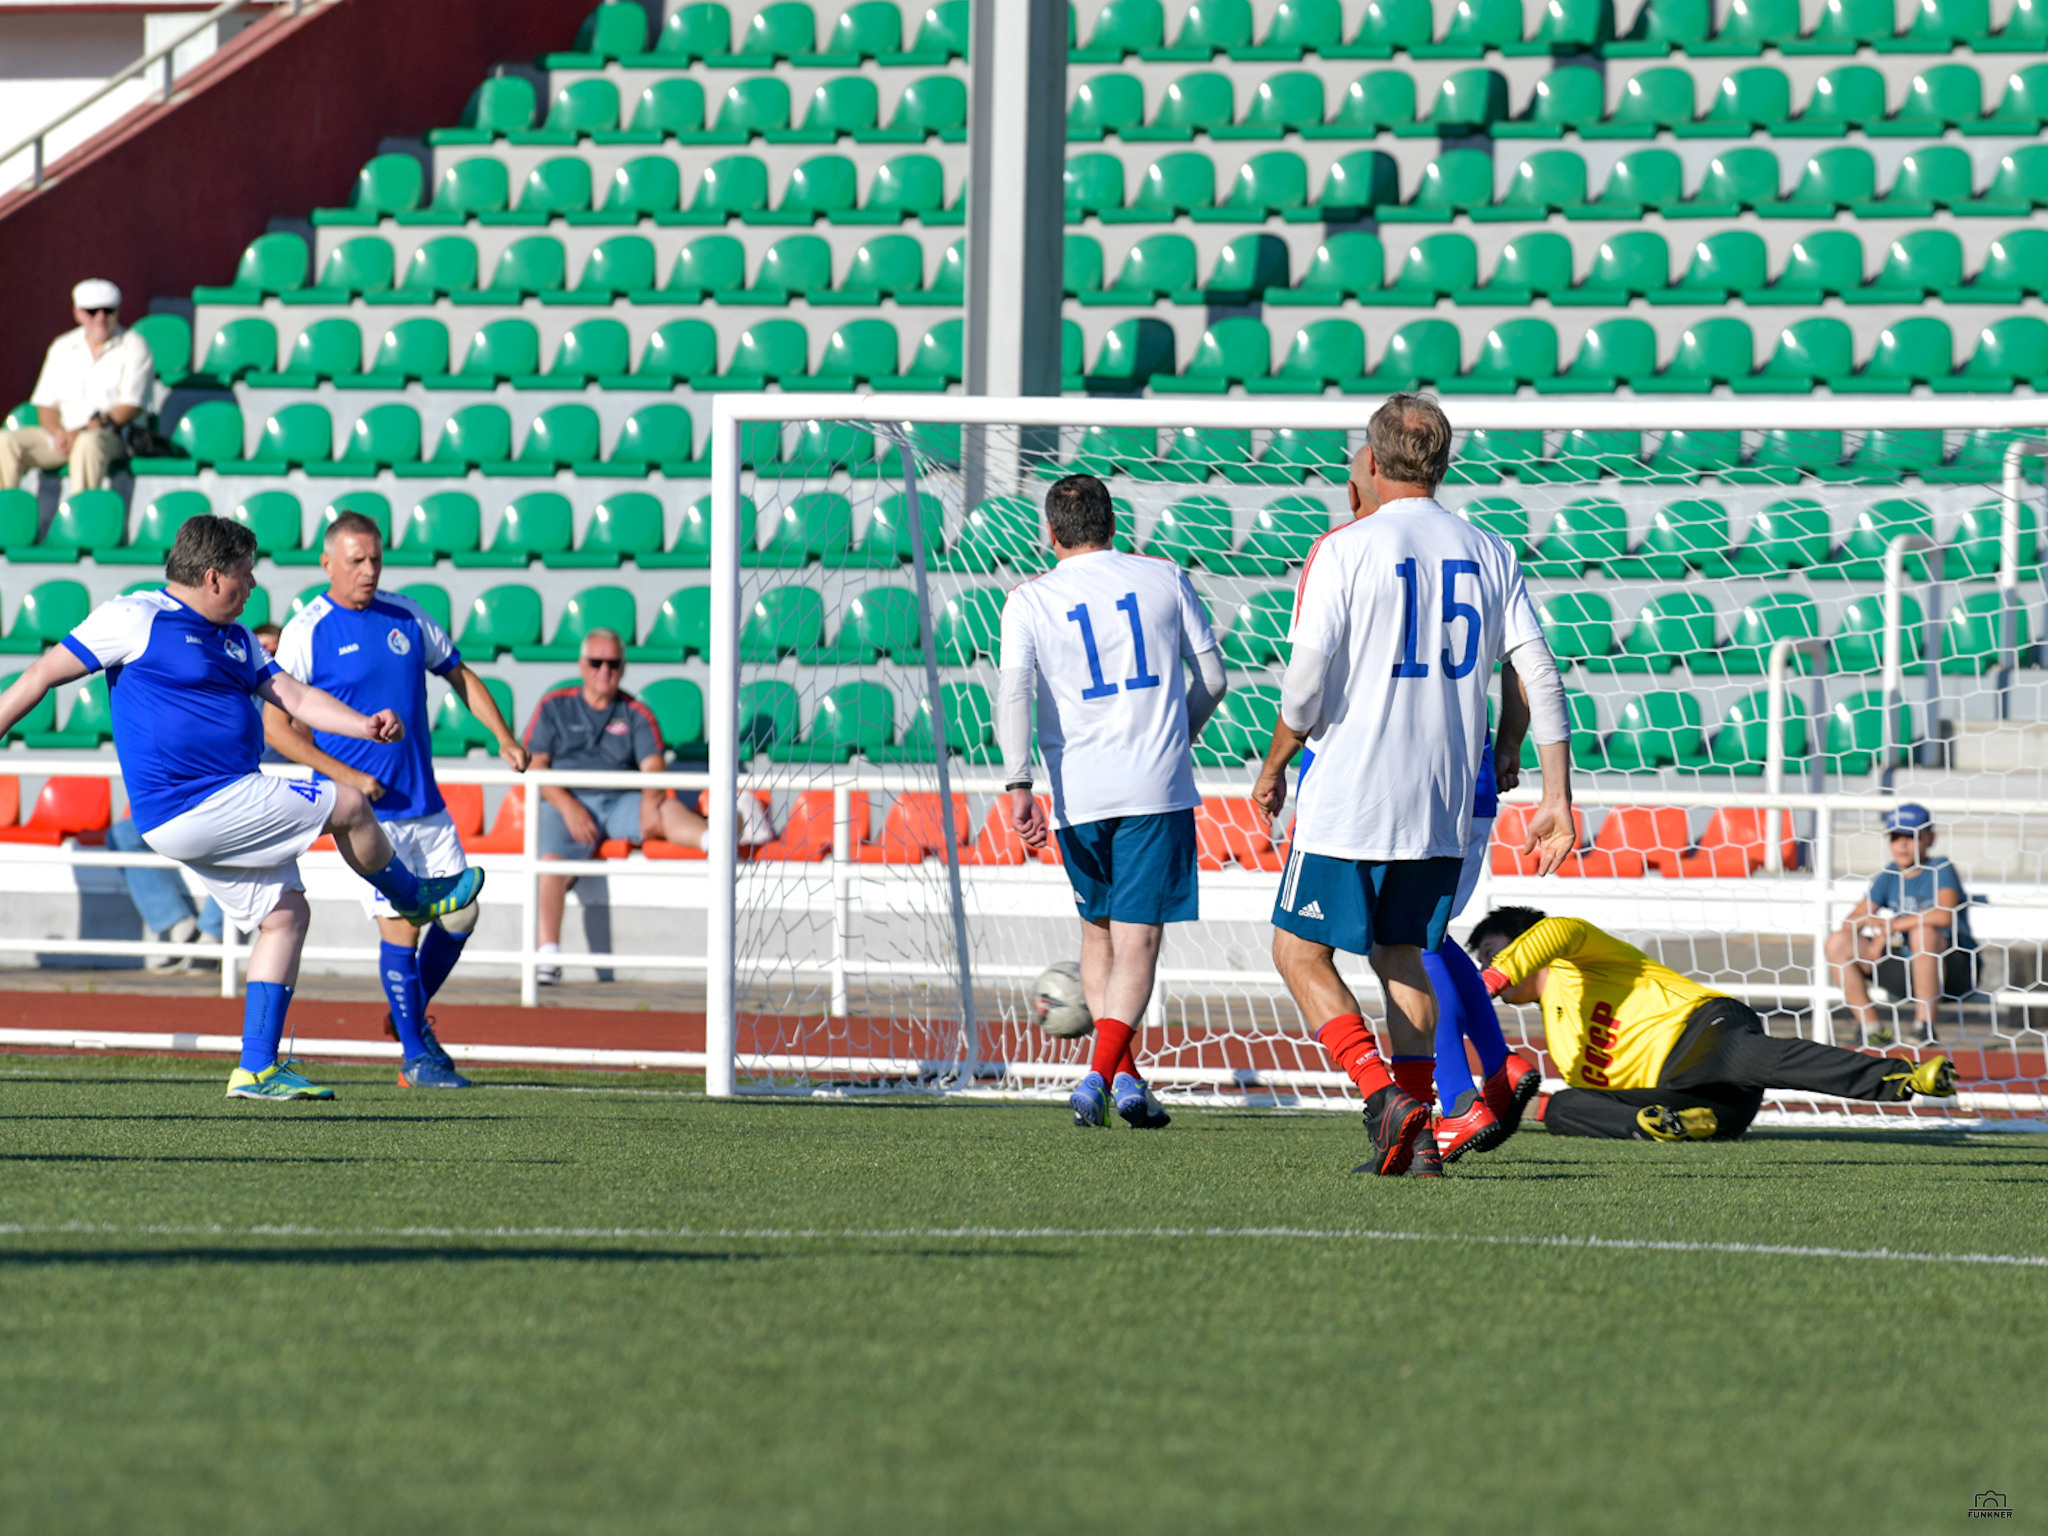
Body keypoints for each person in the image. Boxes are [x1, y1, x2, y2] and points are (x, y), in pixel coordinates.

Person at [0, 515, 484, 1101]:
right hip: (196, 799)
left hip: (219, 803)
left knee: (286, 915)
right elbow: (42, 674)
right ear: (212, 576)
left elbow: (296, 697)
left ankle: (256, 1068)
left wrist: (363, 724)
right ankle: (414, 896)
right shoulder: (134, 617)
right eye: (245, 574)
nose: (253, 585)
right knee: (351, 804)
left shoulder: (237, 636)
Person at [1252, 394, 1576, 1176]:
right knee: (1404, 953)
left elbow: (1303, 685)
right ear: (1445, 459)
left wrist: (1276, 762)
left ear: (1370, 459)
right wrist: (1554, 795)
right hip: (1438, 798)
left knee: (1298, 952)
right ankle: (1420, 1137)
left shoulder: (1346, 548)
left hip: (1353, 790)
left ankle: (1381, 1095)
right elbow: (1537, 671)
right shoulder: (1490, 550)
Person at [998, 473, 1228, 1130]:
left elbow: (1014, 694)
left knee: (1096, 934)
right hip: (1153, 788)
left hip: (1078, 791)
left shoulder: (1029, 599)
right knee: (1138, 942)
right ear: (1113, 525)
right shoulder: (1163, 577)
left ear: (1050, 534)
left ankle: (1123, 1080)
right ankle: (1104, 1074)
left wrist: (1020, 786)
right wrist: (1175, 736)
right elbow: (1213, 678)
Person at [272, 510, 528, 1087]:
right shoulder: (307, 629)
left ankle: (405, 1014)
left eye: (375, 559)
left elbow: (459, 674)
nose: (368, 570)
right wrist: (347, 778)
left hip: (425, 804)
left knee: (462, 912)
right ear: (327, 563)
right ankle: (416, 1057)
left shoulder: (407, 615)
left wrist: (503, 736)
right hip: (366, 816)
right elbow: (277, 727)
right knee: (402, 926)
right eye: (356, 560)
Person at [1469, 906, 1956, 1139]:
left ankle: (1901, 1077)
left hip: (1704, 1033)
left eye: (1491, 951)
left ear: (1521, 945)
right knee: (1563, 1105)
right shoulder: (1557, 1042)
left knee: (1756, 1058)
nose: (1485, 965)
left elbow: (1559, 928)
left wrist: (1493, 976)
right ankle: (1653, 1127)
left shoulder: (1581, 958)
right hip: (1698, 1106)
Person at [524, 629, 769, 985]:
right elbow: (536, 765)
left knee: (662, 808)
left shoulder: (636, 712)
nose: (603, 670)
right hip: (568, 800)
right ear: (582, 665)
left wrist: (650, 802)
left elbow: (653, 768)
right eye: (596, 662)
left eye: (612, 663)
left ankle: (721, 835)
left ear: (623, 668)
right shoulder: (554, 705)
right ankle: (547, 955)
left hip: (621, 798)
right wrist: (567, 805)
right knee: (549, 862)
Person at [1418, 664, 1543, 1168]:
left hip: (1420, 776)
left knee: (1410, 942)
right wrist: (1511, 744)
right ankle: (1497, 1064)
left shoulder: (1397, 581)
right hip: (1473, 774)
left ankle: (1456, 1101)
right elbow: (1525, 663)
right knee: (1427, 934)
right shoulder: (1489, 579)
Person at [1824, 802, 1975, 1046]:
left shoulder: (1940, 868)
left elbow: (1943, 915)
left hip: (1951, 970)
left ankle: (1924, 1028)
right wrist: (1872, 923)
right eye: (1896, 837)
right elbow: (1850, 922)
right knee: (1837, 942)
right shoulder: (1889, 875)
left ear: (1930, 838)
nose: (1902, 844)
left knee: (1924, 934)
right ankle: (1872, 1028)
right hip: (1906, 968)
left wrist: (1891, 927)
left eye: (1912, 836)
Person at [0, 280, 155, 492]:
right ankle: (8, 514)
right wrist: (57, 432)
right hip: (63, 435)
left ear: (118, 311)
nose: (101, 317)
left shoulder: (134, 344)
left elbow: (130, 407)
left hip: (111, 435)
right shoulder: (61, 346)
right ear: (78, 313)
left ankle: (82, 518)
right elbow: (46, 404)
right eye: (92, 311)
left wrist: (80, 432)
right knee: (5, 441)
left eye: (108, 311)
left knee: (87, 444)